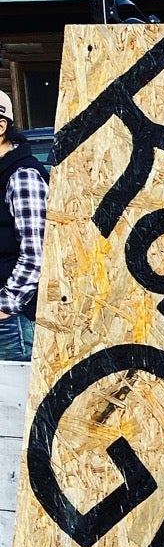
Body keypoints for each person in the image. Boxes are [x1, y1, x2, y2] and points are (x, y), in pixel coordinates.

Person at [0, 90, 48, 362]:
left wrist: (5, 306)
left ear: (1, 126)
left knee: (15, 402)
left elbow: (35, 253)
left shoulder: (23, 177)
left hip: (12, 325)